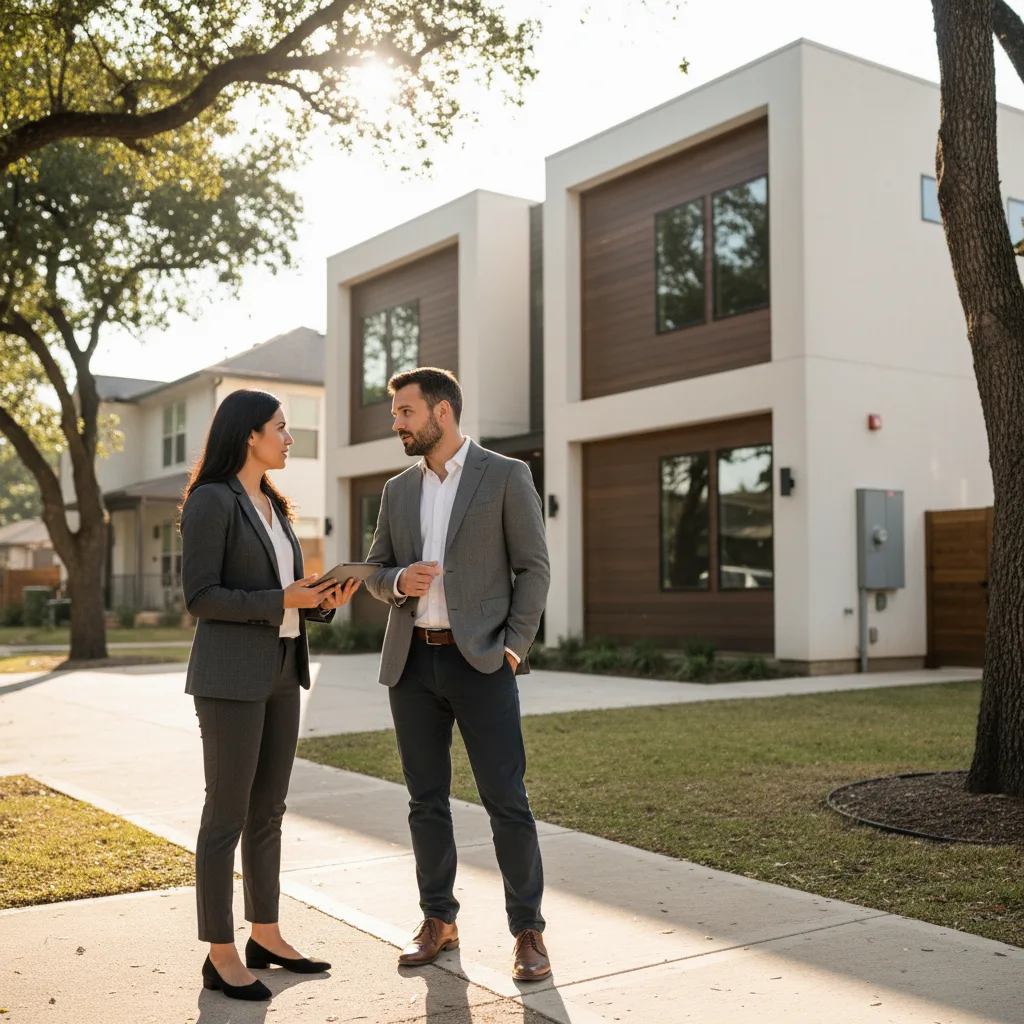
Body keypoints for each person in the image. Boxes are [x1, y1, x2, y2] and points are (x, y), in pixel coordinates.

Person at [363, 367, 552, 982]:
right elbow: (374, 569)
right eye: (396, 414)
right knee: (425, 801)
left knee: (507, 802)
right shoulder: (397, 490)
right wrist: (396, 581)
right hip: (413, 661)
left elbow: (534, 569)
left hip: (482, 663)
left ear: (441, 413)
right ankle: (438, 921)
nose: (397, 423)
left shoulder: (505, 476)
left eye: (405, 413)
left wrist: (513, 649)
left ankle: (528, 931)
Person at [180, 389, 359, 1002]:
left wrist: (321, 599)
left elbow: (286, 591)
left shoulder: (275, 504)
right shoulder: (211, 501)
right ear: (249, 435)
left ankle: (266, 933)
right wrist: (285, 600)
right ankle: (220, 951)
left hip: (284, 667)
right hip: (230, 677)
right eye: (282, 428)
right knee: (225, 813)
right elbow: (201, 596)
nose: (290, 438)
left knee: (270, 811)